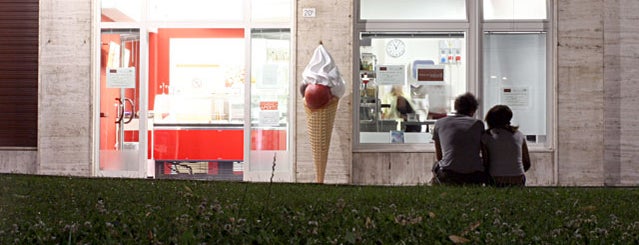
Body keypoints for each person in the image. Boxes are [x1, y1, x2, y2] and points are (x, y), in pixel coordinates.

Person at [431, 92, 489, 185]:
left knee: (436, 166)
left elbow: (439, 156)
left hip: (449, 174)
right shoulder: (478, 124)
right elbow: (484, 152)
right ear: (473, 110)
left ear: (456, 107)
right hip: (474, 174)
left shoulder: (440, 123)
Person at [481, 105, 531, 187]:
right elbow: (527, 163)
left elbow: (486, 163)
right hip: (518, 178)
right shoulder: (519, 135)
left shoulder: (487, 136)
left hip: (496, 179)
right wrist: (515, 172)